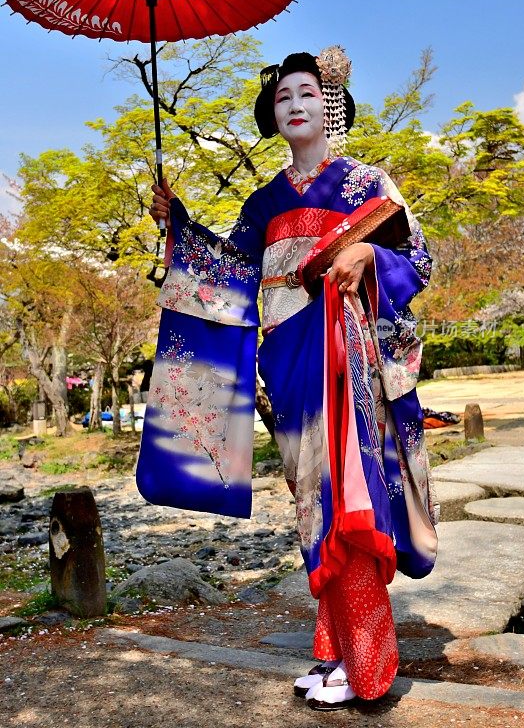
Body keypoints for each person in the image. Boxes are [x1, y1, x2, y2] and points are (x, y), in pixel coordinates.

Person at [139, 46, 439, 711]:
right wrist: (178, 223)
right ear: (271, 117)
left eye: (306, 92)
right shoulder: (261, 201)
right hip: (288, 361)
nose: (295, 104)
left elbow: (417, 257)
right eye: (282, 98)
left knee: (347, 499)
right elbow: (226, 273)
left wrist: (364, 251)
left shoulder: (366, 182)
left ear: (327, 105)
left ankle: (367, 668)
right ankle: (333, 651)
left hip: (348, 358)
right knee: (312, 504)